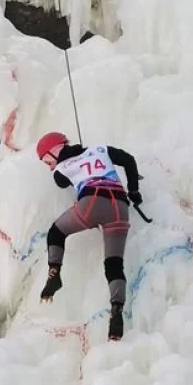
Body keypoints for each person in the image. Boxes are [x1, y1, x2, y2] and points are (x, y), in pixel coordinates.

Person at [35, 131, 142, 341]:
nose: (49, 166)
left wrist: (68, 164)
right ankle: (117, 311)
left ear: (55, 151)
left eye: (48, 161)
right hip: (120, 207)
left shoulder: (60, 170)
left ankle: (54, 275)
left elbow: (63, 182)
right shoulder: (101, 149)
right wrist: (134, 191)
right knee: (114, 264)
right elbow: (128, 160)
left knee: (56, 232)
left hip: (92, 203)